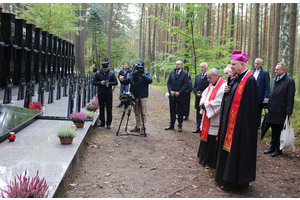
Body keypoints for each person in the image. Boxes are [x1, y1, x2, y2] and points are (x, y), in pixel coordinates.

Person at [215, 50, 258, 191]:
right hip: (232, 124)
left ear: (242, 64)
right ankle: (226, 178)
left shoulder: (250, 80)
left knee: (239, 152)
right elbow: (231, 99)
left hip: (241, 127)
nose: (231, 67)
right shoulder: (236, 78)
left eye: (234, 64)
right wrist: (228, 91)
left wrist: (243, 127)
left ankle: (236, 182)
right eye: (231, 64)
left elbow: (250, 107)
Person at [264, 62, 295, 157]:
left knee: (279, 130)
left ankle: (278, 148)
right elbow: (271, 92)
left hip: (281, 110)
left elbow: (290, 97)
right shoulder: (274, 80)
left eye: (277, 69)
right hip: (273, 109)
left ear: (283, 70)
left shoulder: (289, 81)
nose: (275, 71)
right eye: (275, 69)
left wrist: (288, 111)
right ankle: (273, 146)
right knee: (273, 128)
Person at [197, 68, 225, 169]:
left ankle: (210, 161)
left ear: (216, 76)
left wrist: (206, 105)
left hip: (215, 118)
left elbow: (219, 102)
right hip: (207, 116)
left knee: (212, 140)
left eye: (210, 77)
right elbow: (204, 95)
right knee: (206, 138)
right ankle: (202, 157)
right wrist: (202, 103)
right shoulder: (211, 85)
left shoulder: (222, 87)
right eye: (207, 77)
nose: (208, 79)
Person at [120, 61, 153, 134]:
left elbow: (150, 80)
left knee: (143, 112)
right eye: (138, 68)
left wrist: (143, 75)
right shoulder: (133, 74)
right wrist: (121, 80)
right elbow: (126, 82)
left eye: (141, 68)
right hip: (134, 96)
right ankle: (138, 126)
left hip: (143, 96)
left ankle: (143, 127)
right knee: (136, 112)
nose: (139, 69)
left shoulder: (146, 74)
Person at [165, 60, 189, 132]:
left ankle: (180, 125)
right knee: (172, 111)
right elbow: (168, 83)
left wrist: (180, 92)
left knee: (180, 111)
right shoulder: (172, 72)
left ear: (181, 66)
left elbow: (186, 84)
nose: (176, 65)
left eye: (178, 64)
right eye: (176, 64)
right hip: (172, 95)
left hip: (180, 96)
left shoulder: (185, 74)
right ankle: (171, 124)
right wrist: (170, 91)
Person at [92, 61, 118, 129]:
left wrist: (109, 83)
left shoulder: (111, 73)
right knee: (101, 108)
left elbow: (116, 82)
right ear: (102, 68)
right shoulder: (98, 73)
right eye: (104, 69)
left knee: (109, 108)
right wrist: (100, 83)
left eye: (106, 68)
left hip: (108, 93)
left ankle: (108, 123)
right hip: (101, 93)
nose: (105, 70)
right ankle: (102, 122)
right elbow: (94, 82)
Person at [251, 58, 270, 129]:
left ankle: (257, 125)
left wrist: (266, 96)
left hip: (259, 96)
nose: (256, 65)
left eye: (258, 64)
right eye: (255, 63)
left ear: (261, 64)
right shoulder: (252, 72)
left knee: (258, 112)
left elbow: (267, 86)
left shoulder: (265, 73)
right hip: (252, 96)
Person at [192, 62, 209, 133]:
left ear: (206, 68)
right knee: (198, 114)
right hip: (198, 98)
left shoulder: (209, 76)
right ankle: (198, 127)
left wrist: (202, 93)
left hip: (205, 98)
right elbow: (194, 87)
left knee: (204, 114)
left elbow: (210, 87)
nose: (201, 68)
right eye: (201, 67)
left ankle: (204, 128)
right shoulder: (197, 76)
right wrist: (196, 93)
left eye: (203, 67)